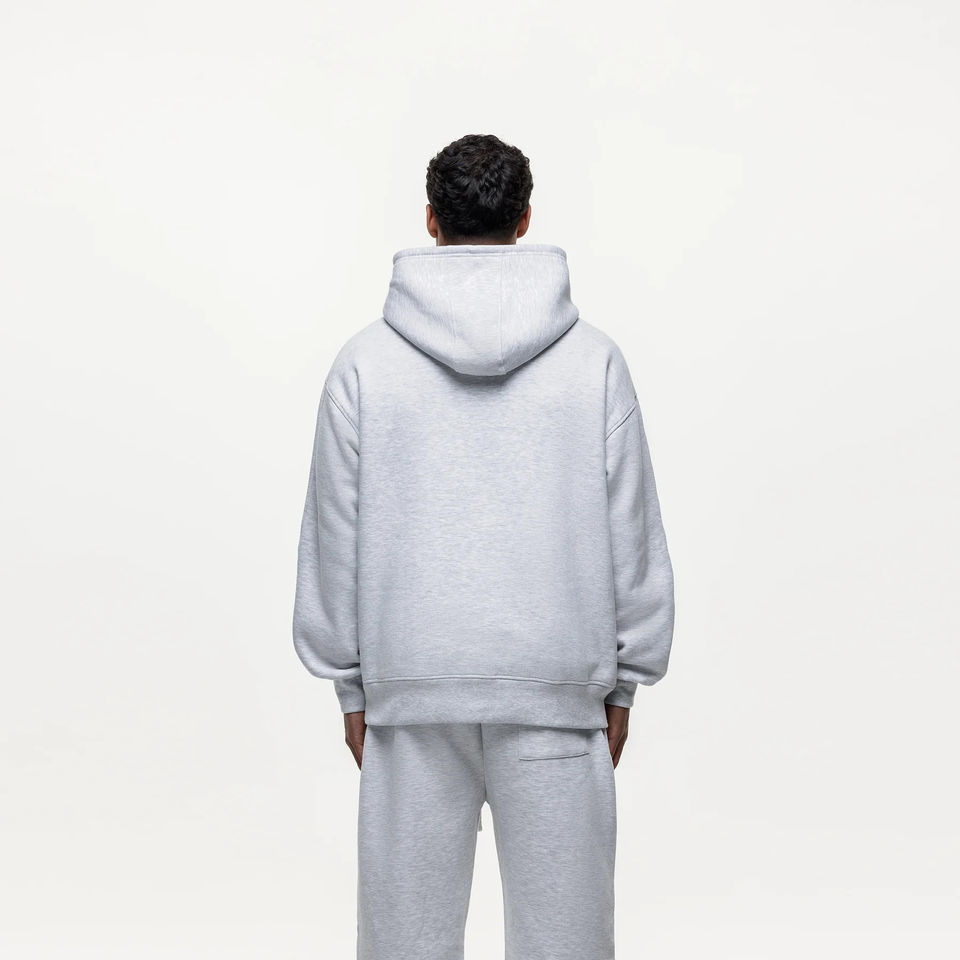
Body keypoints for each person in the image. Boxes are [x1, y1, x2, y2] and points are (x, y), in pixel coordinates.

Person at [292, 133, 676, 960]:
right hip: (559, 688)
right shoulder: (593, 361)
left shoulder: (365, 364)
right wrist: (626, 680)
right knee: (567, 942)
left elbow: (333, 533)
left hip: (410, 688)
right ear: (525, 219)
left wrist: (351, 686)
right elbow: (632, 528)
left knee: (404, 942)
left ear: (430, 220)